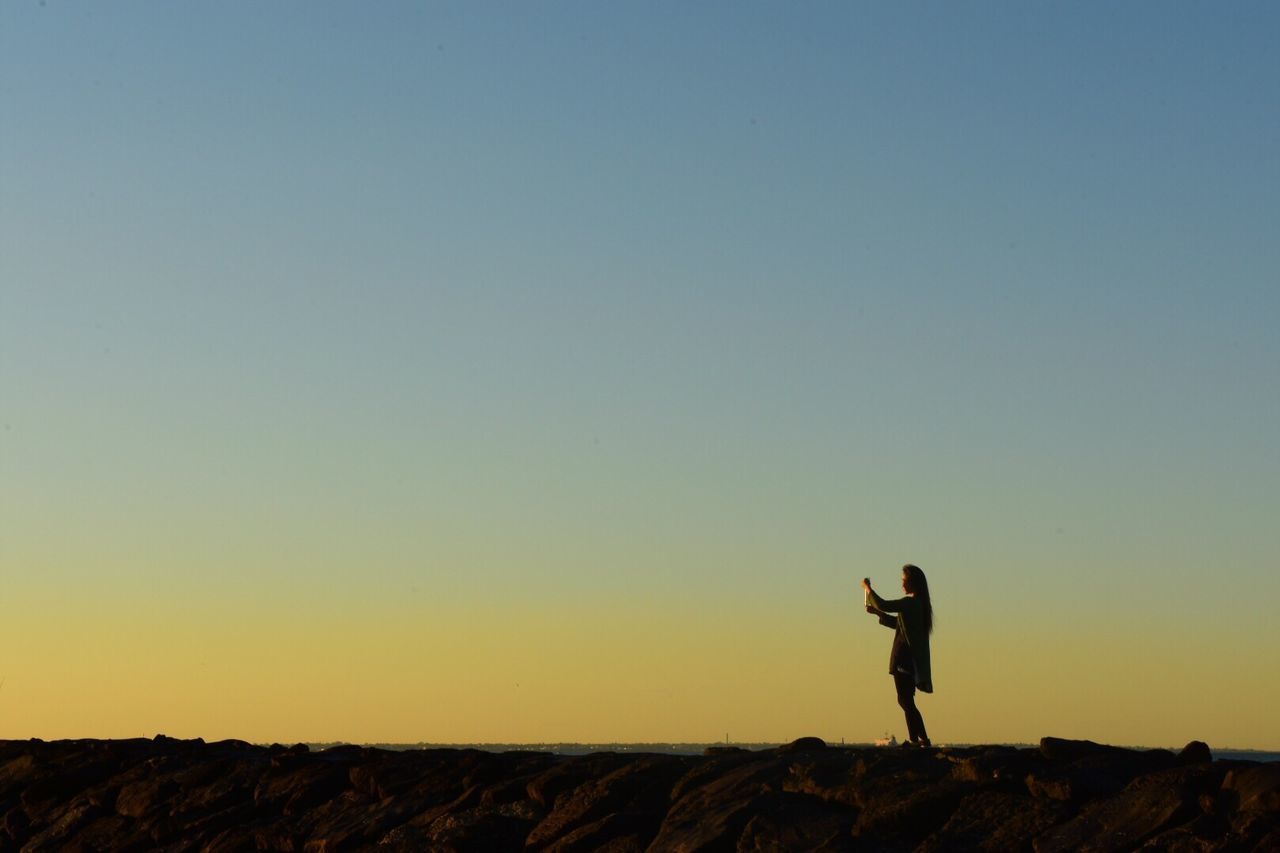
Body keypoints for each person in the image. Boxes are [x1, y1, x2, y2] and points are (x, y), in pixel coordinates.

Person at [863, 565, 934, 747]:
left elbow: (885, 604)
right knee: (906, 699)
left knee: (905, 700)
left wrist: (868, 589)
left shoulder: (910, 603)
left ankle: (920, 739)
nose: (902, 583)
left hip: (904, 659)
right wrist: (878, 614)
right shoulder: (918, 605)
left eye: (904, 580)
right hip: (907, 660)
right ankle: (918, 739)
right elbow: (899, 624)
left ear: (912, 582)